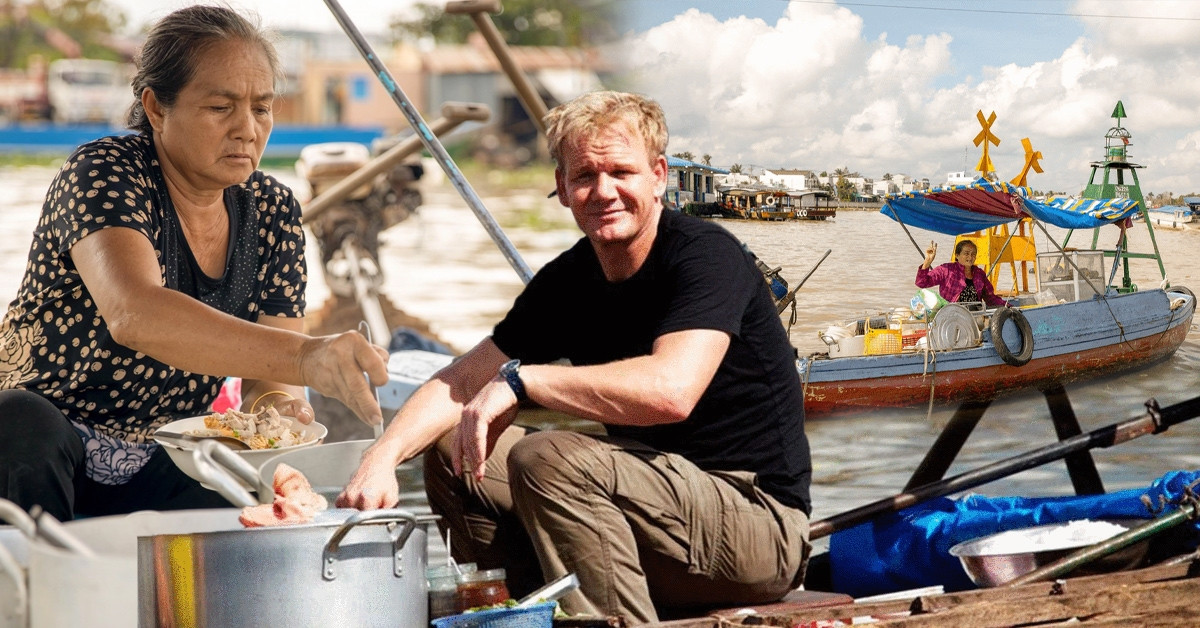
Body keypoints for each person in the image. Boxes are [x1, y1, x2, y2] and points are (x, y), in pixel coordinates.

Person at [339, 91, 812, 624]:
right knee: (457, 447)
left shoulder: (706, 255)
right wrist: (379, 460)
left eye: (621, 172)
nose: (603, 191)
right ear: (562, 188)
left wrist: (523, 383)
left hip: (758, 527)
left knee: (548, 457)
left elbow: (671, 391)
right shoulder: (568, 280)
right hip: (656, 513)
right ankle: (521, 612)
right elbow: (460, 381)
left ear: (658, 176)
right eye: (585, 175)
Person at [0, 5, 388, 522]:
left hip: (165, 456)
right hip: (39, 446)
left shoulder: (273, 211)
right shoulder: (105, 172)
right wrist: (307, 356)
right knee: (22, 422)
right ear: (157, 108)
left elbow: (269, 381)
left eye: (262, 108)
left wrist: (276, 419)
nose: (247, 129)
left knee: (245, 487)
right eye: (221, 107)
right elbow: (136, 314)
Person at [916, 240, 1009, 309]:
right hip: (951, 314)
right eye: (966, 253)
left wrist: (1008, 306)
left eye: (973, 254)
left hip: (975, 316)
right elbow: (921, 283)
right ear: (957, 255)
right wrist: (927, 261)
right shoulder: (946, 269)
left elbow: (991, 298)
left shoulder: (979, 274)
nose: (970, 257)